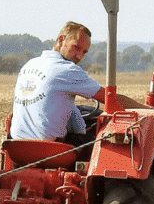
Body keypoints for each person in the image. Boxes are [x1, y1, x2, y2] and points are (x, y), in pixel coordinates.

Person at [10, 21, 143, 143]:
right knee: (102, 140)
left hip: (17, 145)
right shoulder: (67, 69)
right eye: (76, 48)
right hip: (50, 148)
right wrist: (148, 109)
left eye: (84, 52)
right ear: (61, 40)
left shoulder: (30, 64)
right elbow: (111, 99)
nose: (79, 56)